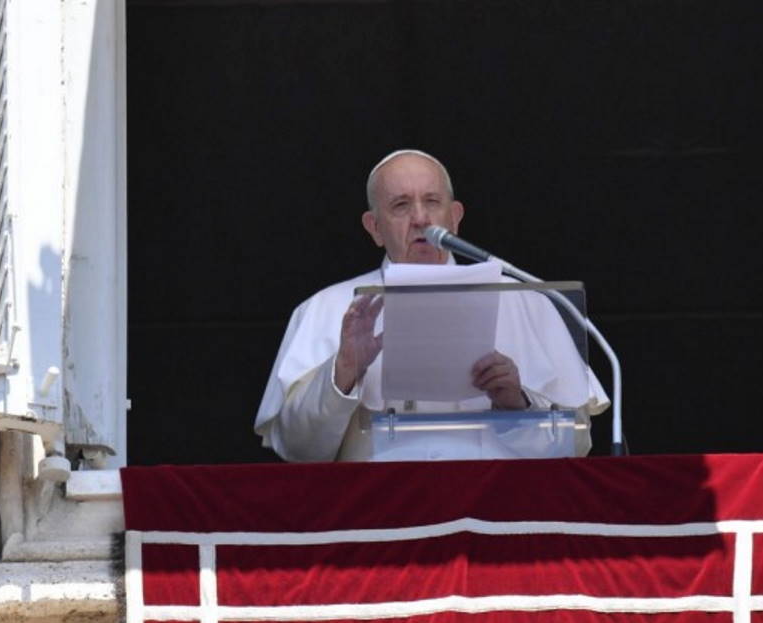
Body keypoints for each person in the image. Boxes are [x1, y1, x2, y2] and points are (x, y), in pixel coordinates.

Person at [254, 149, 607, 461]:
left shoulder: (526, 301)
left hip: (495, 515)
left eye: (432, 202)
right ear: (374, 227)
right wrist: (343, 370)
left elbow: (576, 444)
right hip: (384, 518)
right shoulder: (324, 309)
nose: (420, 218)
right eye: (401, 205)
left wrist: (517, 404)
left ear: (455, 217)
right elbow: (297, 450)